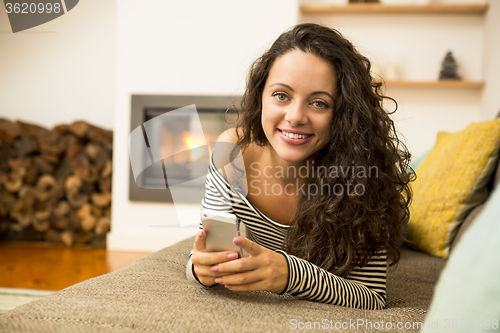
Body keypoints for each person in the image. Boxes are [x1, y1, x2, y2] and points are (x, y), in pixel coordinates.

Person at [186, 23, 413, 310]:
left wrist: (288, 274)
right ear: (261, 97)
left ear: (341, 114)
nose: (295, 117)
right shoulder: (232, 153)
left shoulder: (366, 174)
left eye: (319, 103)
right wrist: (201, 269)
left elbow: (371, 295)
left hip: (376, 211)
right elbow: (205, 254)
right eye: (281, 95)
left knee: (404, 231)